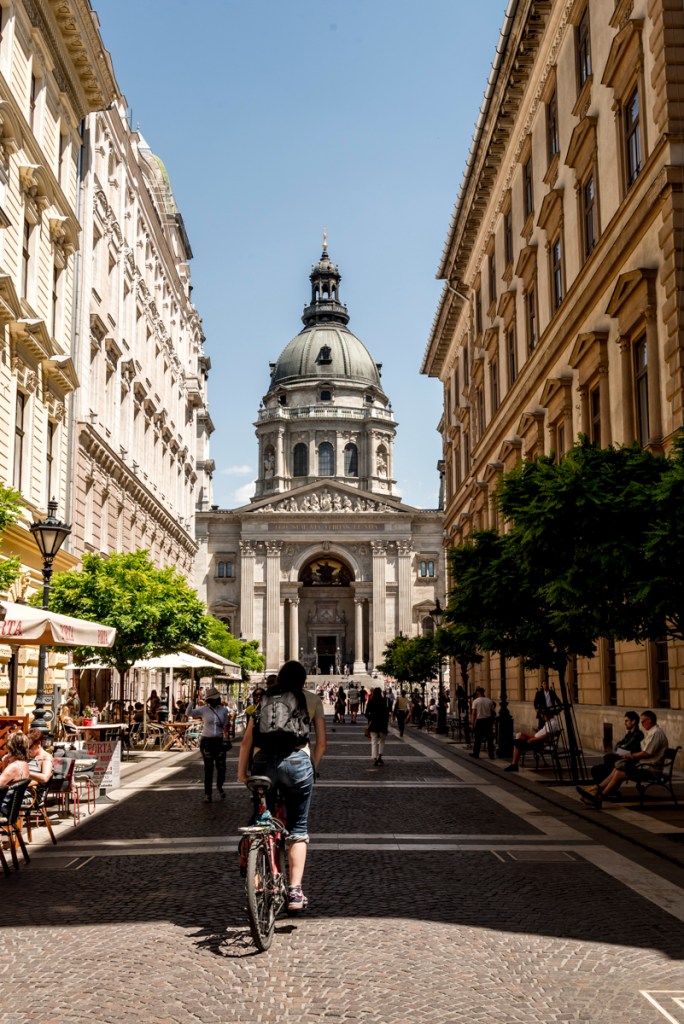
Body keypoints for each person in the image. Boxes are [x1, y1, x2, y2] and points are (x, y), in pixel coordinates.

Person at [237, 660, 327, 912]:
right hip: (297, 763)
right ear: (303, 680)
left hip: (262, 763)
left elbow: (246, 742)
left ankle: (256, 885)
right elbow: (321, 744)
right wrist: (312, 768)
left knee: (260, 821)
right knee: (297, 827)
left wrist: (241, 773)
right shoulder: (311, 699)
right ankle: (295, 890)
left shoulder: (263, 699)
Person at [577, 710, 669, 808]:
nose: (641, 725)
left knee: (619, 773)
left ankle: (598, 796)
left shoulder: (656, 733)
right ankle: (595, 791)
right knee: (617, 769)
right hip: (644, 766)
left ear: (649, 720)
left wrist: (631, 756)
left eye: (643, 722)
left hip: (650, 769)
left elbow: (646, 753)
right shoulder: (652, 732)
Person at [186, 686, 230, 802]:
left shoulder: (224, 710)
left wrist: (227, 725)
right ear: (209, 699)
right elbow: (188, 713)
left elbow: (225, 724)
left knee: (221, 767)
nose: (215, 700)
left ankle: (220, 787)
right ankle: (208, 794)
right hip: (207, 741)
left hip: (219, 741)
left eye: (217, 698)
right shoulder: (203, 709)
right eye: (213, 698)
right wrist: (192, 700)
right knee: (208, 768)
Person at [590, 711, 643, 786]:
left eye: (626, 721)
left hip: (629, 760)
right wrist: (621, 748)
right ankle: (604, 787)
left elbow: (626, 746)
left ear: (633, 721)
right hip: (623, 756)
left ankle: (604, 788)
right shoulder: (629, 734)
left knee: (599, 768)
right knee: (605, 760)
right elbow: (617, 746)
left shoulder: (638, 734)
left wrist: (621, 748)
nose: (625, 723)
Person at [0, 732, 30, 814]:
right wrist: (5, 765)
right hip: (11, 808)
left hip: (3, 808)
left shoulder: (13, 767)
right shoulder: (24, 764)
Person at [365, 686, 390, 766]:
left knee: (374, 741)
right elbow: (386, 713)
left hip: (373, 724)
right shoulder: (383, 701)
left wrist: (371, 718)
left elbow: (366, 713)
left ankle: (374, 758)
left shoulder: (371, 701)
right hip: (382, 724)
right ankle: (380, 756)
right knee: (382, 741)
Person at [470, 686, 496, 759]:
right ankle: (491, 754)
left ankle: (476, 754)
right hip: (488, 721)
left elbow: (474, 713)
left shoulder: (476, 701)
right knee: (490, 739)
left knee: (478, 739)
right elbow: (492, 712)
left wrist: (472, 724)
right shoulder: (489, 701)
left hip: (480, 722)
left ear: (478, 693)